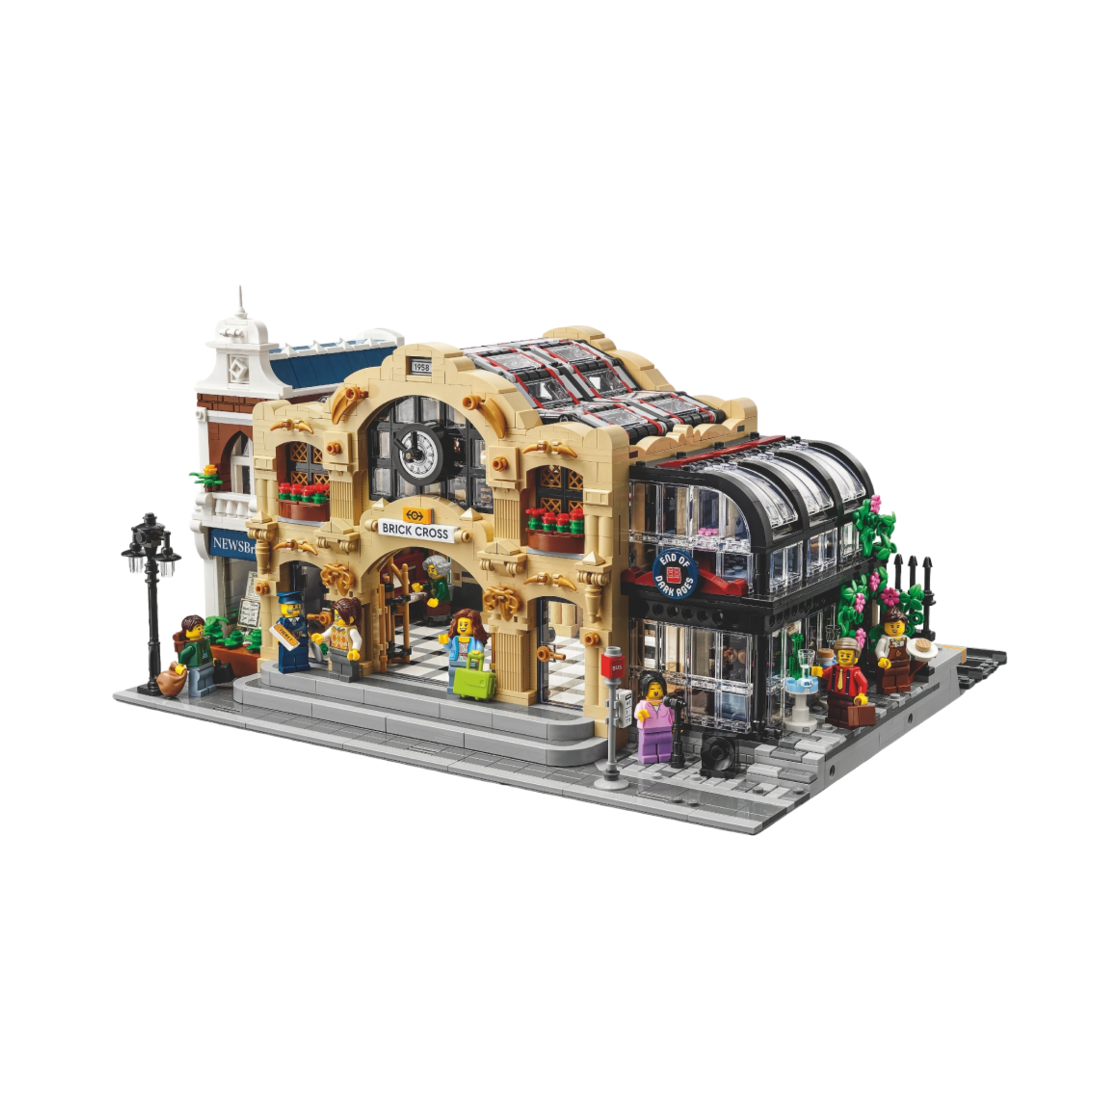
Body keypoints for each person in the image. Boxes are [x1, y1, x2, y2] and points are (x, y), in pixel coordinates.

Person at [811, 636, 874, 729]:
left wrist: (861, 695)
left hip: (849, 698)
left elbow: (863, 683)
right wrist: (818, 671)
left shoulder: (855, 672)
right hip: (833, 695)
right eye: (842, 655)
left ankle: (847, 722)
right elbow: (825, 674)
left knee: (846, 711)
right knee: (833, 709)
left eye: (848, 655)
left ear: (855, 658)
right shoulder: (833, 668)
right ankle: (833, 720)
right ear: (837, 656)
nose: (844, 657)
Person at [313, 596, 363, 682]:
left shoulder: (351, 631)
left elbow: (358, 640)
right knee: (335, 660)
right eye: (336, 615)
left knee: (348, 664)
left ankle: (348, 675)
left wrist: (355, 651)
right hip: (335, 649)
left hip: (347, 652)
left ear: (351, 618)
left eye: (339, 616)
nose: (336, 618)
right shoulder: (334, 627)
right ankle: (336, 673)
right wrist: (321, 637)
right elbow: (328, 634)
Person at [439, 609, 489, 695]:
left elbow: (480, 648)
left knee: (470, 676)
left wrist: (477, 653)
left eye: (466, 625)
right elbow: (448, 646)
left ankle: (469, 689)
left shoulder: (475, 640)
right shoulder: (455, 639)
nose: (463, 627)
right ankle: (452, 687)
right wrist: (445, 642)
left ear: (474, 627)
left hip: (470, 662)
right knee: (453, 674)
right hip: (455, 660)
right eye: (460, 624)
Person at [171, 613, 216, 697]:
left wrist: (212, 659)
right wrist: (180, 665)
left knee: (208, 676)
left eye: (202, 627)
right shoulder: (191, 646)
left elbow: (208, 651)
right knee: (198, 679)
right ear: (187, 632)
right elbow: (183, 654)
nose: (201, 630)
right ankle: (196, 690)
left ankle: (209, 686)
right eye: (198, 628)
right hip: (196, 667)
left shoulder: (204, 641)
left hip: (207, 664)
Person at [635, 670, 675, 764]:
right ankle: (647, 756)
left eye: (659, 688)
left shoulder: (666, 703)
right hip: (647, 729)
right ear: (644, 690)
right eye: (652, 689)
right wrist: (641, 714)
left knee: (665, 742)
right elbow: (637, 714)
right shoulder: (642, 705)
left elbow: (672, 714)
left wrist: (674, 724)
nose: (656, 691)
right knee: (647, 743)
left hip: (665, 728)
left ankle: (665, 755)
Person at [875, 606, 913, 694]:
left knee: (903, 675)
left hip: (904, 663)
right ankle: (888, 687)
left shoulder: (906, 639)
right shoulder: (884, 640)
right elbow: (879, 650)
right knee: (888, 676)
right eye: (891, 626)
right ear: (884, 626)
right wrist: (882, 658)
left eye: (898, 626)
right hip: (889, 664)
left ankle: (903, 686)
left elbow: (911, 648)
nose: (895, 628)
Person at [274, 591, 310, 674]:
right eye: (292, 606)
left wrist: (308, 636)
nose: (296, 608)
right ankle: (286, 666)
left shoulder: (302, 620)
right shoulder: (281, 622)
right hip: (287, 645)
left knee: (302, 656)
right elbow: (278, 631)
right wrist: (278, 638)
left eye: (298, 606)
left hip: (302, 644)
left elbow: (305, 630)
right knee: (286, 656)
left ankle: (302, 665)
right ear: (283, 606)